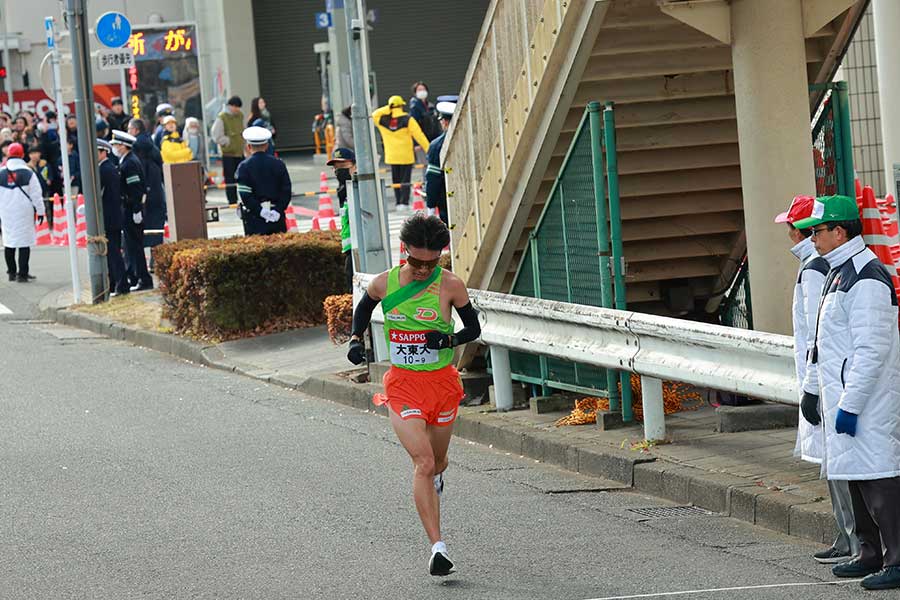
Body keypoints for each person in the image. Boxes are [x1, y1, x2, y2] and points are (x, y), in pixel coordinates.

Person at [347, 214, 480, 577]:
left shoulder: (451, 285)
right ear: (403, 251)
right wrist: (356, 340)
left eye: (431, 262)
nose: (423, 269)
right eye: (416, 261)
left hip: (442, 385)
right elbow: (364, 307)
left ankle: (437, 478)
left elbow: (474, 327)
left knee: (438, 462)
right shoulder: (385, 283)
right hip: (403, 387)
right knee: (422, 462)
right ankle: (438, 548)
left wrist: (449, 340)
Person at [795, 194, 900, 591]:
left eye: (818, 231)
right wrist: (812, 390)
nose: (813, 238)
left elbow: (872, 350)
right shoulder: (838, 271)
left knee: (879, 476)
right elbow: (823, 342)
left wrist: (851, 404)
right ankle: (869, 553)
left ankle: (897, 558)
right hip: (841, 393)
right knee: (855, 475)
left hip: (866, 399)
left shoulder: (866, 275)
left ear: (839, 232)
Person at [775, 195, 860, 565]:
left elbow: (815, 333)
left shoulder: (814, 269)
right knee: (835, 462)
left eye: (792, 227)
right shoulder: (820, 265)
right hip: (826, 377)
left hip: (827, 379)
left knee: (839, 463)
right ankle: (850, 540)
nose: (790, 234)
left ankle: (855, 541)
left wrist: (810, 386)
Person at [110, 130, 153, 292]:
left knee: (135, 246)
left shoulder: (129, 163)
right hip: (128, 208)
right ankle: (136, 275)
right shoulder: (126, 161)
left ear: (123, 146)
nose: (114, 148)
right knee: (130, 246)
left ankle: (144, 278)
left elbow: (136, 189)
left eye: (115, 145)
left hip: (131, 209)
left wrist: (136, 210)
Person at [373, 95, 430, 210]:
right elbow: (419, 136)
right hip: (406, 155)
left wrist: (388, 108)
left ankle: (398, 202)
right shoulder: (408, 119)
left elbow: (374, 114)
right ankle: (404, 203)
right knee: (405, 180)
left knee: (396, 180)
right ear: (401, 106)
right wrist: (429, 149)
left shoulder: (383, 120)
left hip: (392, 155)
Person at [234, 126, 291, 236]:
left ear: (249, 146)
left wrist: (260, 211)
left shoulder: (244, 167)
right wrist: (278, 210)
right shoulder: (279, 164)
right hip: (277, 218)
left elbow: (245, 194)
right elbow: (286, 191)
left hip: (254, 219)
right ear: (266, 145)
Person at [0, 143, 45, 282]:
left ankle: (11, 273)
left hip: (6, 210)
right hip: (24, 211)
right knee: (24, 242)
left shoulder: (1, 172)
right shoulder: (28, 173)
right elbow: (37, 195)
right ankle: (23, 274)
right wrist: (41, 211)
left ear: (8, 155)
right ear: (22, 155)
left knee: (9, 241)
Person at [128, 118, 167, 249]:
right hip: (157, 194)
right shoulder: (152, 146)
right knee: (156, 230)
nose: (128, 132)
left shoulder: (135, 150)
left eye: (129, 129)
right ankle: (155, 262)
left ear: (136, 130)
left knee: (138, 234)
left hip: (144, 196)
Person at [97, 139, 128, 297]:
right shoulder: (107, 168)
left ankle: (120, 284)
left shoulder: (105, 169)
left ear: (103, 152)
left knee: (113, 253)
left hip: (110, 217)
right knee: (113, 252)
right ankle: (117, 284)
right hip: (113, 216)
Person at [327, 147, 356, 291]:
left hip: (360, 251)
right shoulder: (342, 189)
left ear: (354, 166)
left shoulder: (358, 187)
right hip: (350, 250)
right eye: (336, 167)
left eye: (343, 166)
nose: (338, 170)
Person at [425, 100, 457, 225]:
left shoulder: (437, 145)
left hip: (448, 199)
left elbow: (433, 178)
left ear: (445, 122)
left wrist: (431, 206)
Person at [210, 96, 244, 208]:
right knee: (230, 179)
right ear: (230, 106)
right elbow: (215, 135)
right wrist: (227, 141)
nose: (237, 110)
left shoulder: (240, 116)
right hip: (228, 154)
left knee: (243, 177)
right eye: (236, 107)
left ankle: (244, 198)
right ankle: (232, 201)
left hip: (239, 152)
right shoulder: (222, 117)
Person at [26, 145, 51, 228]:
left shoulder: (44, 164)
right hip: (32, 192)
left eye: (36, 153)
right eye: (31, 153)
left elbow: (50, 174)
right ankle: (36, 225)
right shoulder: (27, 167)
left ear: (39, 153)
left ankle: (48, 224)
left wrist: (50, 179)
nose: (34, 155)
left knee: (46, 207)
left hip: (45, 189)